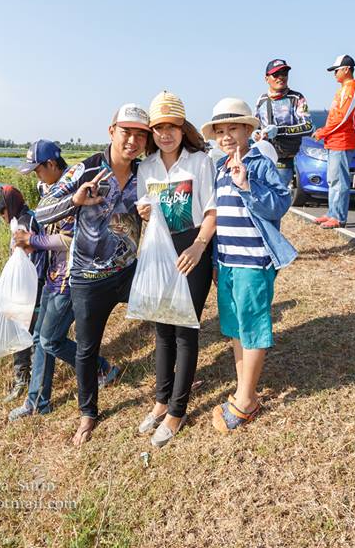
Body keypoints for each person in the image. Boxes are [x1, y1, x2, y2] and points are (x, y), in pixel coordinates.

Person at [35, 103, 150, 445]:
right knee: (86, 348)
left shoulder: (146, 173)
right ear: (112, 131)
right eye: (126, 132)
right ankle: (88, 413)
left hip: (129, 270)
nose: (132, 140)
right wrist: (76, 201)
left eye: (140, 134)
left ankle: (167, 392)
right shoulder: (86, 170)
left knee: (165, 316)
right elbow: (41, 214)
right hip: (88, 277)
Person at [201, 98, 297, 432]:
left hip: (253, 263)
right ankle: (245, 388)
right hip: (228, 262)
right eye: (221, 130)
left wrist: (246, 185)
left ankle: (246, 401)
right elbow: (220, 221)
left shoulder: (257, 163)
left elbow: (279, 204)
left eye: (233, 129)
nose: (226, 136)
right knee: (235, 327)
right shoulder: (219, 167)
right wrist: (215, 261)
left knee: (252, 326)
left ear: (247, 129)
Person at [6, 140, 119, 423]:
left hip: (72, 278)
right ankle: (37, 402)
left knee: (50, 339)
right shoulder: (53, 190)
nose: (36, 176)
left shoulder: (78, 188)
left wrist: (34, 241)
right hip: (54, 276)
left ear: (52, 165)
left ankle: (103, 368)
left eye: (38, 170)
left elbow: (72, 240)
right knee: (39, 339)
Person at [134, 91, 217, 447]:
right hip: (160, 251)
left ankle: (176, 412)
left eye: (172, 126)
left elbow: (212, 211)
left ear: (183, 129)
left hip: (191, 251)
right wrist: (146, 214)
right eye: (158, 127)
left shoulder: (200, 162)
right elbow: (146, 211)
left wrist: (200, 247)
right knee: (161, 329)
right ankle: (160, 400)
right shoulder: (146, 168)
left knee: (185, 330)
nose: (165, 134)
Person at [0, 185, 47, 402]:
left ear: (10, 207)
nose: (1, 216)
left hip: (30, 289)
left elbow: (29, 262)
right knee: (32, 334)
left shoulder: (23, 224)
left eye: (2, 211)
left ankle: (24, 381)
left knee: (20, 333)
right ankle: (30, 379)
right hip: (34, 287)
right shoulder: (27, 217)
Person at [313, 54, 355, 229]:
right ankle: (332, 213)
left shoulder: (351, 88)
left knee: (339, 181)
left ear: (346, 69)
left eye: (336, 70)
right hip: (334, 141)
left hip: (341, 141)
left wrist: (323, 131)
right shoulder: (343, 89)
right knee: (332, 180)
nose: (334, 74)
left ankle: (339, 217)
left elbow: (343, 117)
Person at [253, 59, 313, 187]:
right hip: (264, 156)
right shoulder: (261, 100)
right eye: (276, 74)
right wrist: (256, 133)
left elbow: (308, 127)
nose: (281, 77)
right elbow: (256, 125)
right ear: (266, 78)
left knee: (279, 194)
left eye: (284, 74)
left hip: (286, 158)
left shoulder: (297, 98)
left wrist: (279, 130)